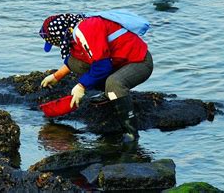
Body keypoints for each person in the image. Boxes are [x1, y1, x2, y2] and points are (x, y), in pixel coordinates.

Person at [39, 12, 153, 142]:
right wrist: (56, 76)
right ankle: (109, 94)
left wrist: (81, 86)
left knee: (114, 83)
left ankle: (131, 134)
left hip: (139, 62)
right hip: (118, 62)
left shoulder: (86, 30)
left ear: (57, 35)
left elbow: (102, 66)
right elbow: (79, 60)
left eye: (53, 42)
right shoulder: (75, 29)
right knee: (75, 63)